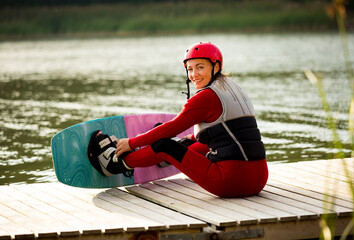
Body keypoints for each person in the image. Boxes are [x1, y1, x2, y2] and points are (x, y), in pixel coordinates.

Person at [87, 42, 268, 198]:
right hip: (258, 179)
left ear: (216, 67)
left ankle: (113, 164)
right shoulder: (234, 88)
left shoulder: (206, 97)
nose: (194, 74)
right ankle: (169, 158)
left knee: (165, 145)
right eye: (190, 69)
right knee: (200, 143)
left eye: (200, 67)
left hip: (230, 182)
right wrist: (187, 141)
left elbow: (170, 129)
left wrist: (132, 143)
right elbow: (227, 131)